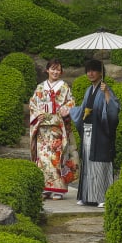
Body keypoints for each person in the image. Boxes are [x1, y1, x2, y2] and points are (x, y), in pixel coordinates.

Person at [69, 58, 120, 207]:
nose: (90, 73)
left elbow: (113, 111)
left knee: (100, 163)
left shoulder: (106, 89)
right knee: (89, 163)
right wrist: (72, 111)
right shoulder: (88, 90)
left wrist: (106, 95)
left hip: (101, 132)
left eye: (94, 70)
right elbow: (82, 109)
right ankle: (87, 196)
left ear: (100, 72)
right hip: (88, 130)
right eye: (88, 71)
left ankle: (102, 197)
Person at [28, 59, 78, 200]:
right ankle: (44, 187)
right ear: (47, 70)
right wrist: (38, 115)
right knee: (43, 158)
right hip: (43, 128)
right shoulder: (40, 87)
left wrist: (64, 110)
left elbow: (71, 102)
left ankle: (58, 189)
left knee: (57, 157)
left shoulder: (64, 87)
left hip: (57, 127)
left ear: (61, 72)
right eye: (53, 69)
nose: (55, 72)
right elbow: (33, 104)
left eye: (58, 70)